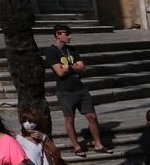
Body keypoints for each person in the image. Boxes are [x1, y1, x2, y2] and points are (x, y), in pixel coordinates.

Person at [44, 25, 107, 156]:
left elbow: (83, 68)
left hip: (80, 87)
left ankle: (98, 144)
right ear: (57, 35)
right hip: (65, 90)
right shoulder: (51, 51)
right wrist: (73, 67)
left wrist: (69, 66)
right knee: (69, 119)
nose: (69, 36)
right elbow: (60, 72)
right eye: (66, 34)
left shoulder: (72, 49)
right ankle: (76, 146)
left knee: (92, 116)